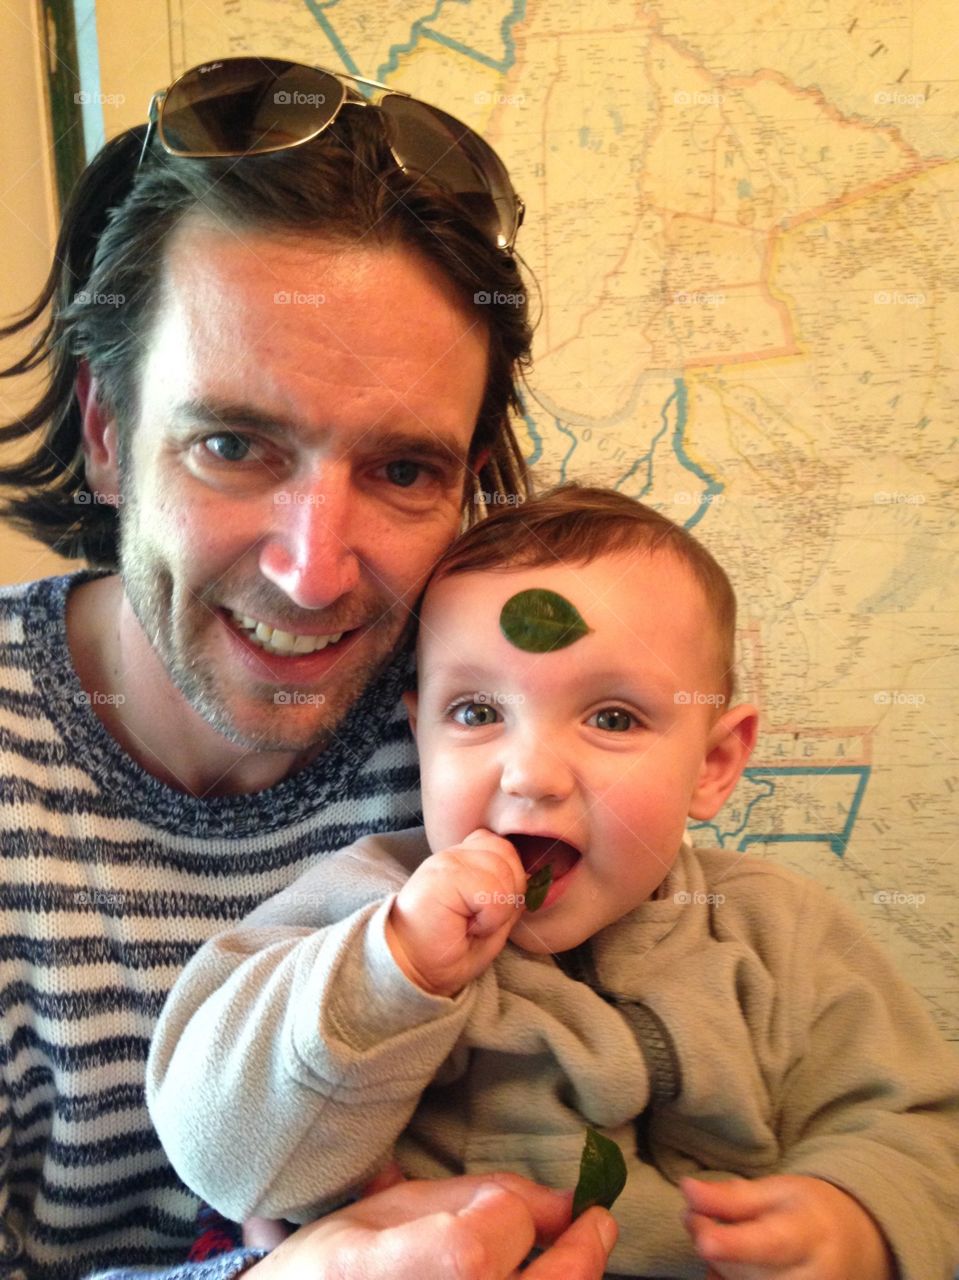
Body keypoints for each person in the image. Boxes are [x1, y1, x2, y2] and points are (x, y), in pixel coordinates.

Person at [0, 55, 615, 1279]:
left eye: (400, 470)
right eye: (233, 443)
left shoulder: (502, 740)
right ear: (108, 434)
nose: (314, 572)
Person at [147, 485, 959, 1280]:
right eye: (473, 712)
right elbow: (216, 1153)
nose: (530, 773)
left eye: (611, 718)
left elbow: (918, 1128)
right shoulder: (362, 908)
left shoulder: (776, 934)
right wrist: (388, 974)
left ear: (712, 765)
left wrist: (856, 1216)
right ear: (419, 734)